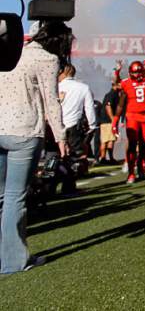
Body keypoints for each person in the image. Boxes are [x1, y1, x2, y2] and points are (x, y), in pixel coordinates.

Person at [0, 20, 70, 273]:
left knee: (1, 197)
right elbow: (52, 102)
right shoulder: (46, 59)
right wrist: (61, 137)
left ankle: (4, 256)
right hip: (24, 131)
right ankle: (13, 261)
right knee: (15, 198)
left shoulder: (7, 49)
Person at [112, 60, 145, 183]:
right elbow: (121, 104)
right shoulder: (126, 83)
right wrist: (115, 121)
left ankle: (140, 166)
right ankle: (131, 173)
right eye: (134, 73)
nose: (137, 75)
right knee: (132, 144)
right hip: (132, 116)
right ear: (130, 73)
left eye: (139, 72)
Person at [58, 63, 95, 161]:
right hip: (74, 125)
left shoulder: (56, 87)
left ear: (63, 73)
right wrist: (92, 125)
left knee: (57, 155)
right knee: (77, 155)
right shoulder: (83, 87)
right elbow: (89, 108)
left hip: (56, 125)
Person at [97, 80, 120, 164]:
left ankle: (106, 158)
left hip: (105, 120)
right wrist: (112, 118)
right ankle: (105, 158)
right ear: (116, 85)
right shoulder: (112, 94)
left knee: (108, 139)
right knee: (108, 140)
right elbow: (108, 106)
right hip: (107, 121)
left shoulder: (115, 94)